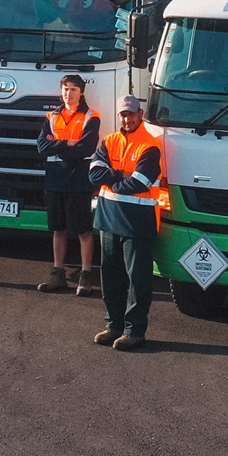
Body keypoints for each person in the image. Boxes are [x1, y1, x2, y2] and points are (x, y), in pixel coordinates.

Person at [89, 95, 163, 351]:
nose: (126, 118)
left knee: (138, 280)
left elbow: (140, 183)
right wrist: (121, 175)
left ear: (140, 114)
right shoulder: (109, 141)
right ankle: (114, 326)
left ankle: (135, 331)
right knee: (110, 276)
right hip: (109, 219)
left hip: (137, 223)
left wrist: (110, 179)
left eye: (131, 114)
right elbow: (93, 174)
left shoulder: (150, 146)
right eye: (122, 114)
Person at [34, 74, 101, 296]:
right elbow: (42, 147)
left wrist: (58, 145)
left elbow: (86, 148)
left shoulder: (91, 117)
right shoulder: (52, 116)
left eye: (73, 89)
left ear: (81, 92)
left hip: (78, 179)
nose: (68, 93)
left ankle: (85, 276)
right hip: (55, 180)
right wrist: (67, 143)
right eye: (65, 89)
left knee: (83, 230)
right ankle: (57, 275)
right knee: (58, 228)